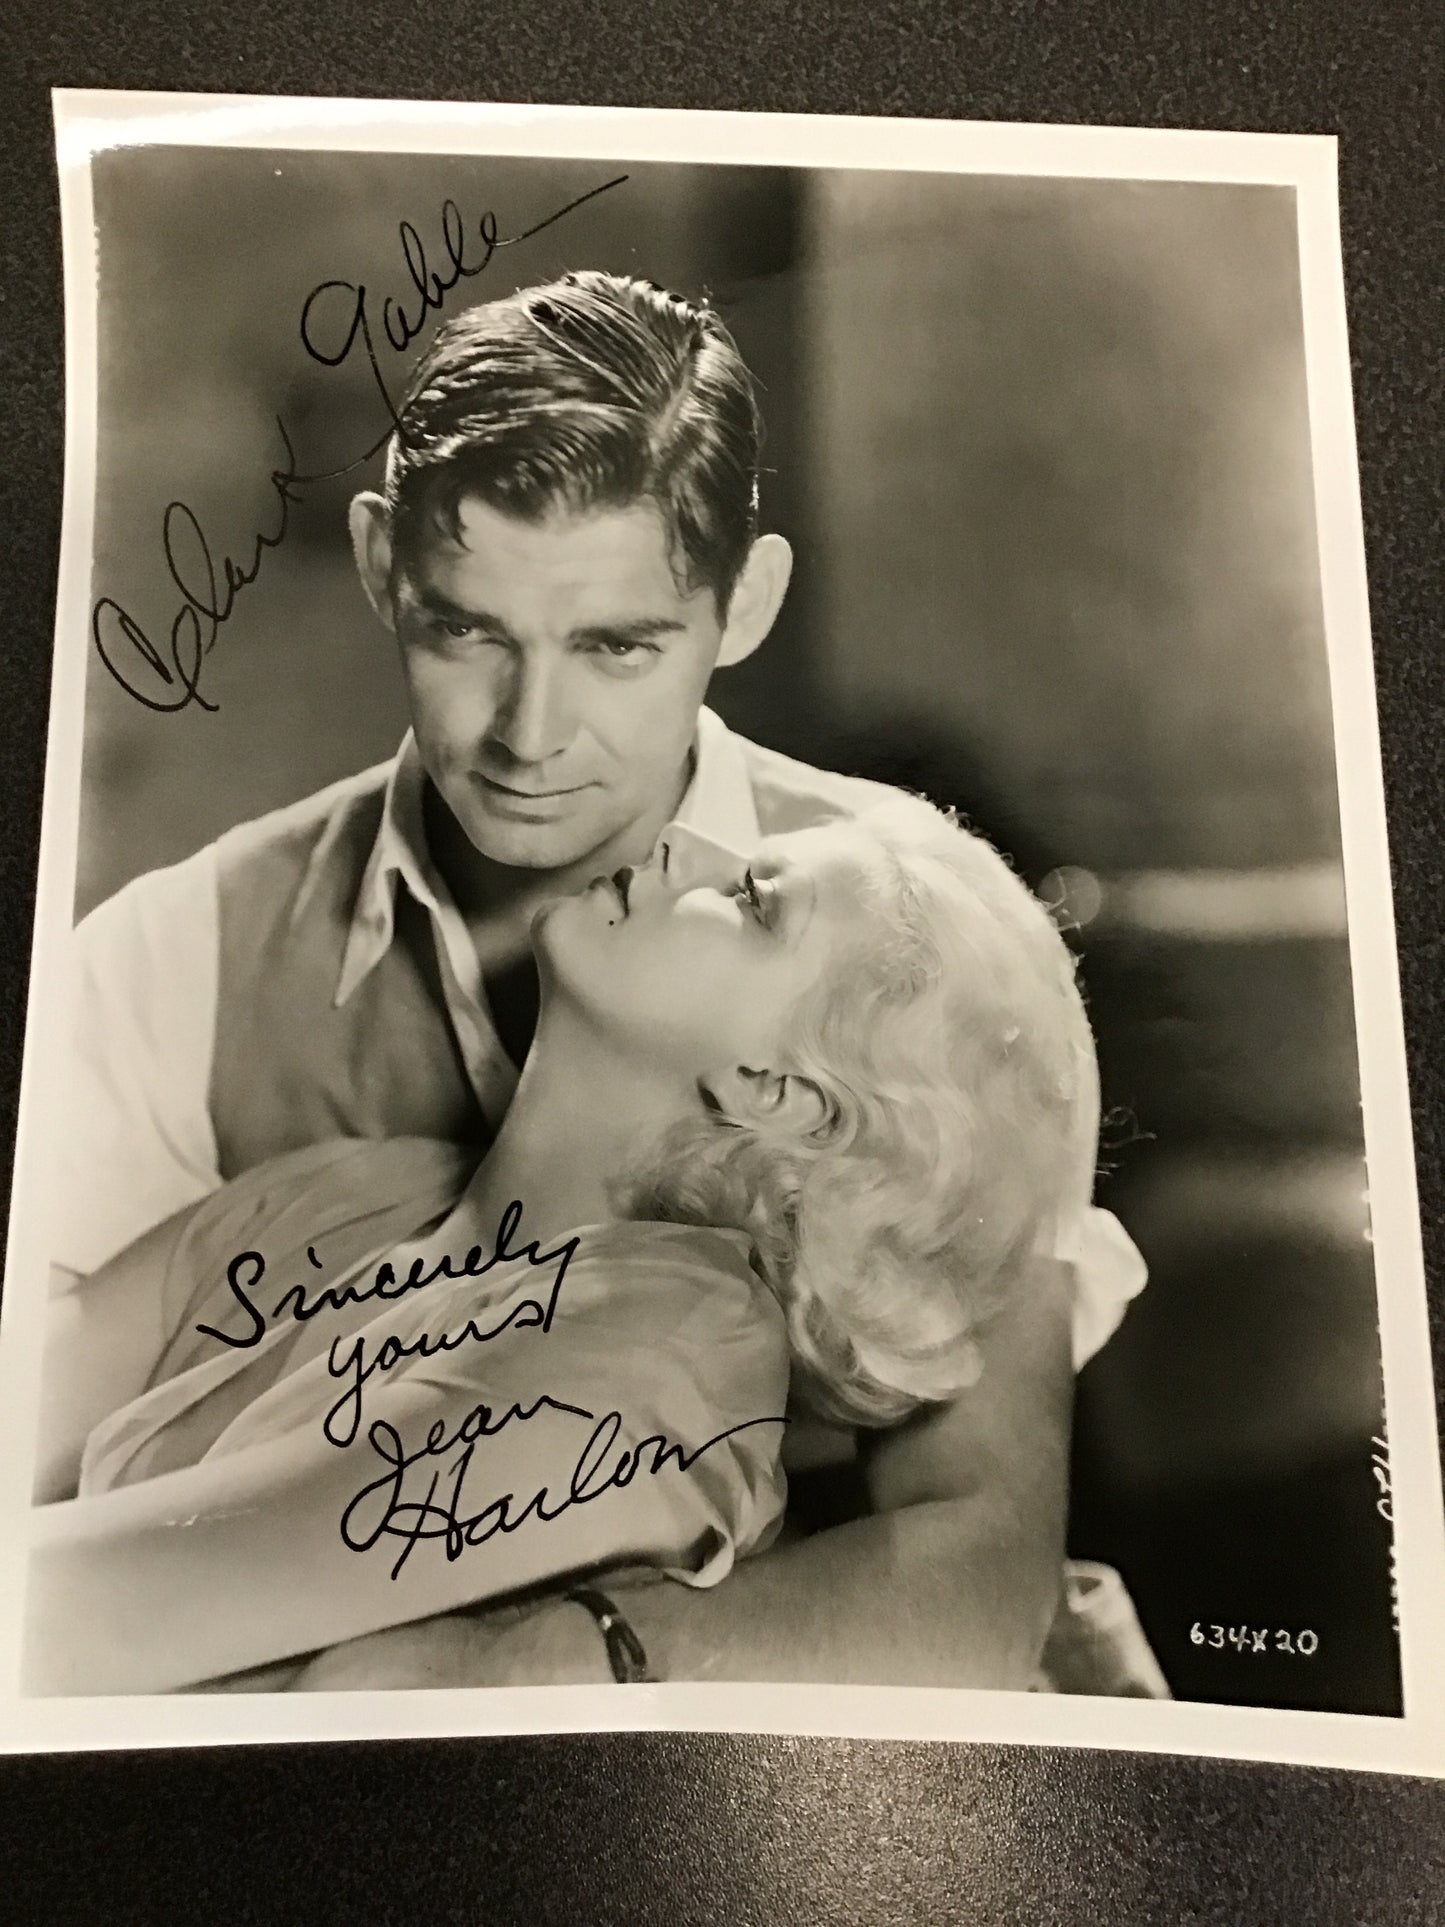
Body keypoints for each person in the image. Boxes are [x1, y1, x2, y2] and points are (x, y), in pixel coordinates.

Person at [51, 270, 1145, 1691]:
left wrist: (538, 1665)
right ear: (384, 566)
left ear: (741, 605)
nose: (531, 732)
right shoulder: (175, 965)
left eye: (618, 645)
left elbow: (973, 1572)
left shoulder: (926, 946)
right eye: (467, 630)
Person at [30, 804, 1153, 1696]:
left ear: (775, 1090)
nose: (679, 842)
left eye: (752, 899)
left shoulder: (677, 1342)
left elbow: (88, 1617)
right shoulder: (347, 1186)